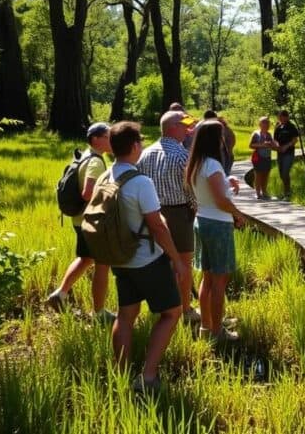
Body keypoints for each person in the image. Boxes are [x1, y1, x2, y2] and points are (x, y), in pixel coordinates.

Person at [105, 121, 191, 394]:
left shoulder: (108, 175)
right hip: (146, 259)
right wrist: (176, 260)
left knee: (126, 315)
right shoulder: (139, 181)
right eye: (140, 141)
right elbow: (157, 226)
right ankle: (148, 377)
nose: (141, 144)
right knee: (172, 312)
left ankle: (120, 374)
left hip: (120, 258)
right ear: (133, 146)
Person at [45, 122, 116, 325]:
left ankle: (60, 294)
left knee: (86, 259)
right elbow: (87, 193)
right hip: (91, 221)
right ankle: (100, 312)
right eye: (108, 136)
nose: (111, 140)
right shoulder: (96, 161)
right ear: (96, 139)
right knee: (102, 264)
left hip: (79, 220)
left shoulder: (84, 155)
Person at [137, 110, 200, 325]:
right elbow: (190, 191)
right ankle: (184, 309)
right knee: (183, 263)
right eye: (184, 126)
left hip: (152, 213)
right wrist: (195, 209)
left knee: (161, 262)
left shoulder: (145, 154)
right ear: (173, 127)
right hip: (179, 214)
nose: (188, 130)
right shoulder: (182, 155)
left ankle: (163, 306)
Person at [186, 121, 247, 342]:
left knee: (208, 278)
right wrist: (238, 214)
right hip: (218, 225)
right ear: (215, 139)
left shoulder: (197, 163)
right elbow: (221, 201)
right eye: (222, 136)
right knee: (220, 281)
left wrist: (226, 182)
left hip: (202, 220)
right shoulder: (212, 164)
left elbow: (212, 193)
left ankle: (206, 326)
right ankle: (216, 331)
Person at [273, 110, 299, 200]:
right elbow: (275, 139)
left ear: (286, 117)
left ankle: (288, 194)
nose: (280, 118)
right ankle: (285, 192)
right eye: (279, 117)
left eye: (281, 117)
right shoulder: (278, 126)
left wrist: (286, 146)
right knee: (281, 173)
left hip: (289, 153)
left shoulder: (291, 127)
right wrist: (276, 145)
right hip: (279, 153)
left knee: (285, 172)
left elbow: (295, 140)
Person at [249, 116, 277, 199]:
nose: (266, 124)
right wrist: (262, 145)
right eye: (264, 123)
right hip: (258, 157)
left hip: (267, 157)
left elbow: (272, 145)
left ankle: (264, 192)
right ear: (260, 124)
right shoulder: (256, 134)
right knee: (258, 175)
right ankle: (258, 193)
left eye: (268, 123)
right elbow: (251, 145)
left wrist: (272, 144)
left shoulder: (269, 134)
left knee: (266, 174)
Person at [201, 110, 236, 175]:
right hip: (227, 155)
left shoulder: (217, 129)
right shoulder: (226, 128)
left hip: (222, 157)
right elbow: (233, 141)